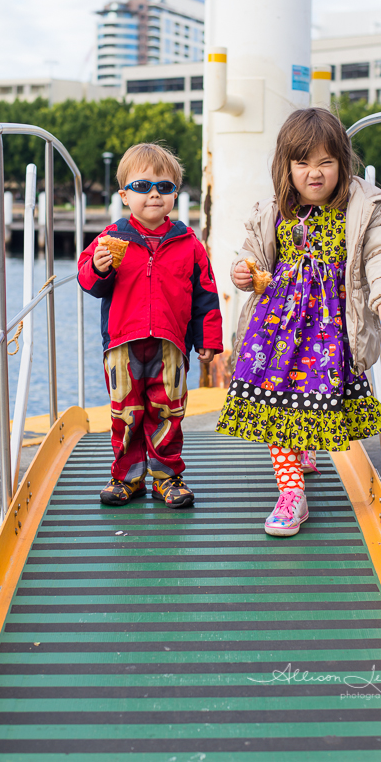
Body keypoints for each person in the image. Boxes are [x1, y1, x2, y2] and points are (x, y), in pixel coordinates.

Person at [216, 108, 381, 536]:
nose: (314, 173)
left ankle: (301, 451)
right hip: (275, 330)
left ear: (343, 162)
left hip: (327, 331)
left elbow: (380, 255)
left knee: (310, 396)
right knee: (278, 402)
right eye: (302, 163)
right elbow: (252, 255)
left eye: (325, 162)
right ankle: (291, 493)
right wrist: (242, 272)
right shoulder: (274, 210)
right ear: (286, 166)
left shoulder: (361, 209)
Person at [78, 143, 223, 508]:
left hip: (171, 344)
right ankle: (126, 478)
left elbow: (205, 295)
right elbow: (90, 284)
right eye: (142, 187)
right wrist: (98, 265)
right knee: (125, 413)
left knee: (168, 411)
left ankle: (167, 477)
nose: (154, 193)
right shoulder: (111, 238)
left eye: (164, 186)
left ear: (176, 192)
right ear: (124, 194)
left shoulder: (189, 244)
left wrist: (208, 339)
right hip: (123, 344)